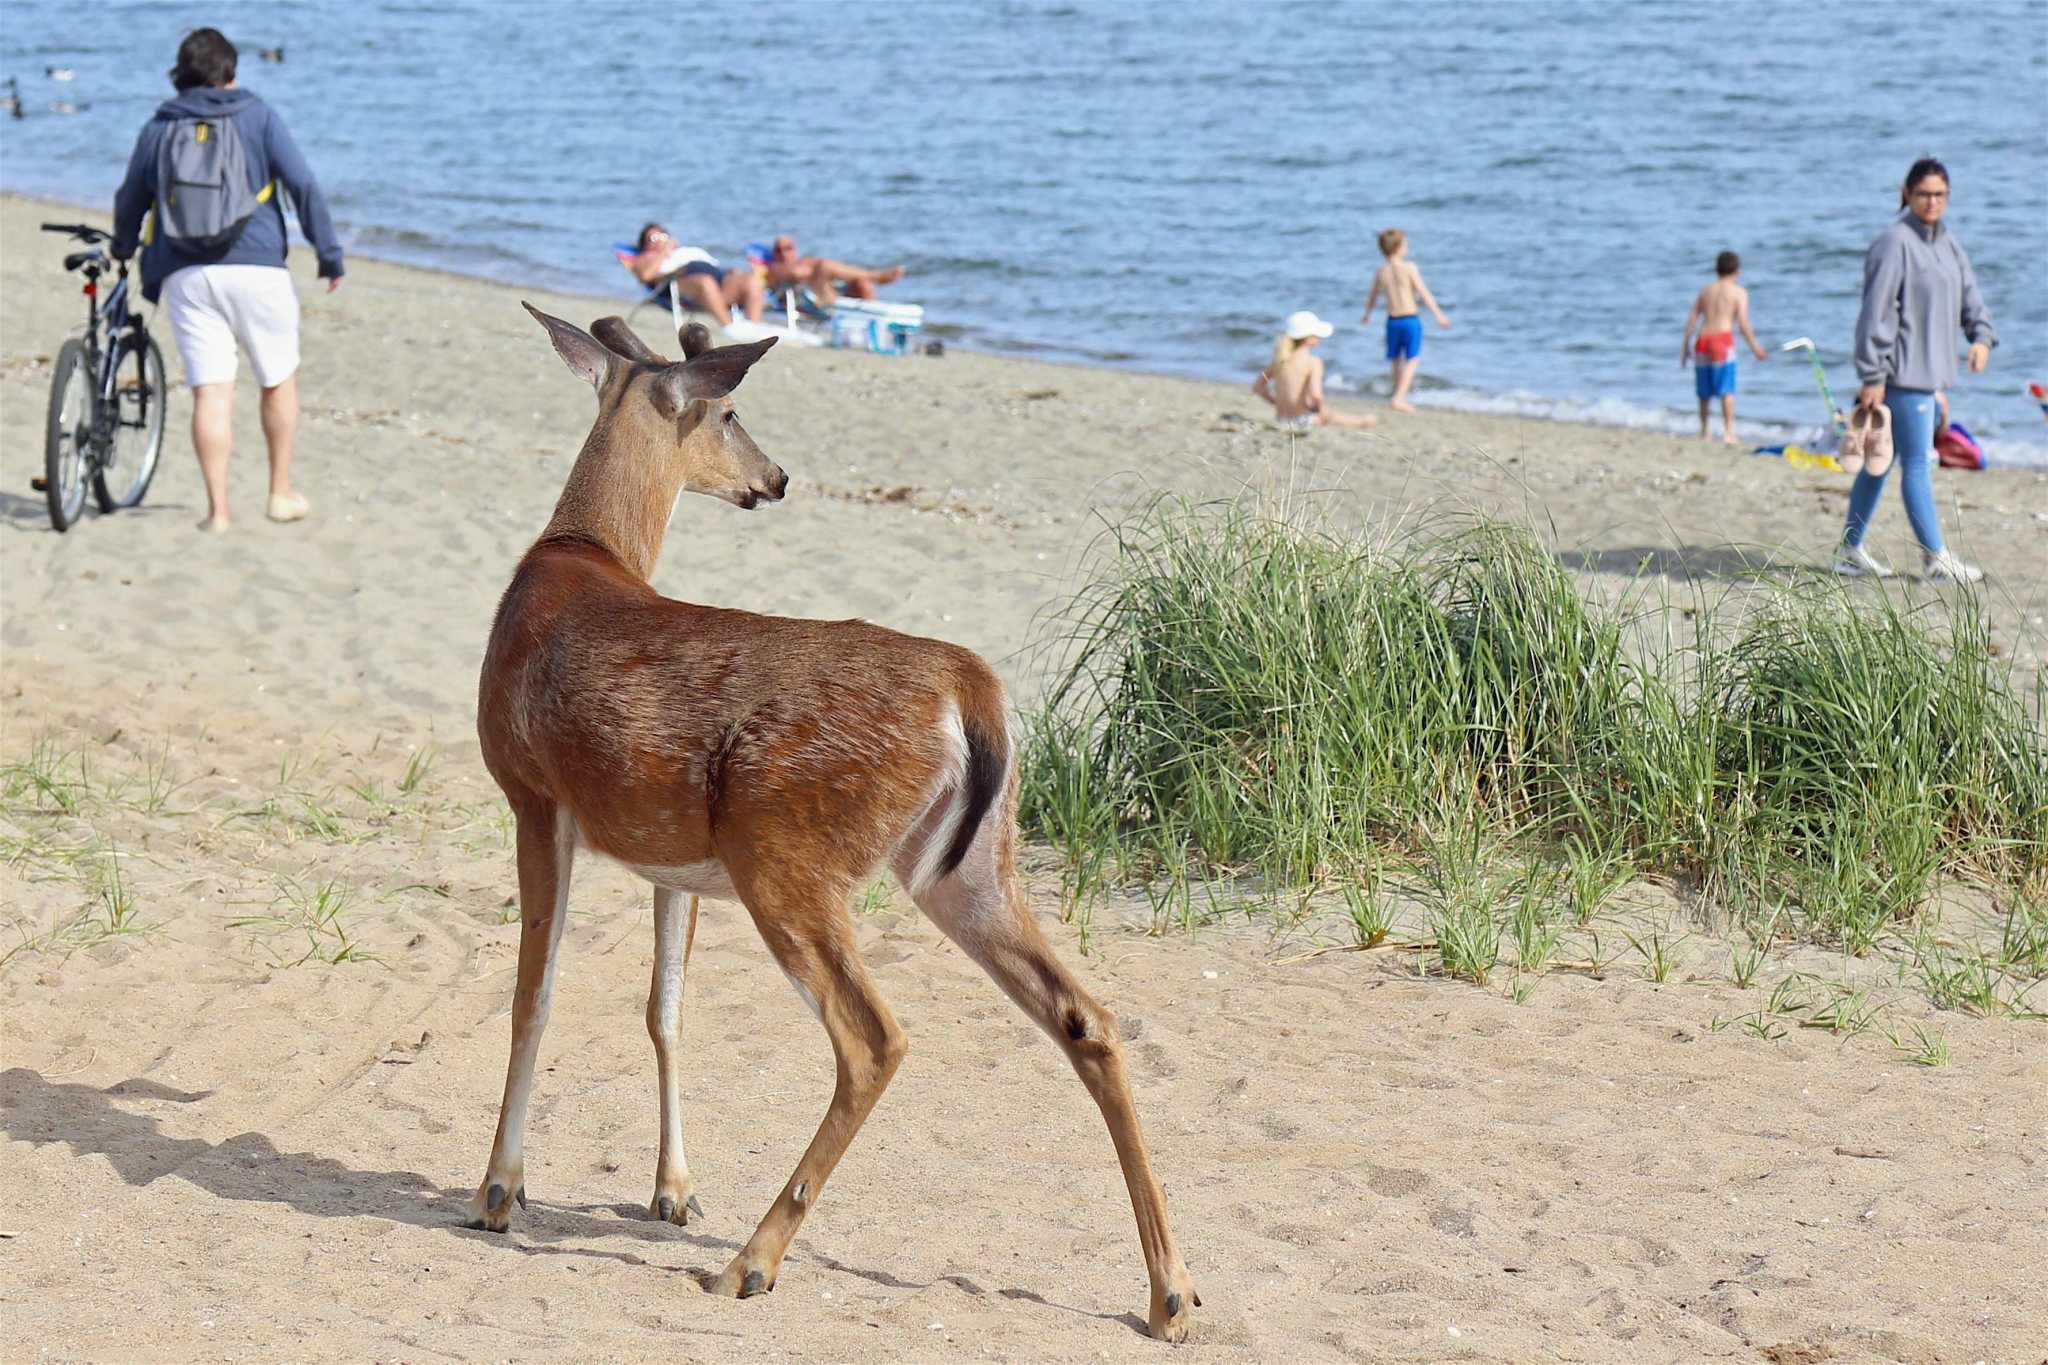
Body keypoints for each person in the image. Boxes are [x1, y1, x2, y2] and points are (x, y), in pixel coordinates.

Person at [111, 26, 343, 532]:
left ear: (181, 75)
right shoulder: (257, 115)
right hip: (258, 268)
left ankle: (217, 512)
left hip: (185, 274)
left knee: (211, 392)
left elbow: (130, 197)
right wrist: (328, 254)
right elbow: (302, 184)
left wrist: (123, 247)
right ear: (230, 73)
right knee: (277, 380)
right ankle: (279, 492)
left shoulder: (160, 125)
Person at [1833, 157, 1997, 583]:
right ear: (1907, 194)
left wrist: (1981, 338)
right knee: (1918, 462)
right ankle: (1935, 558)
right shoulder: (1894, 243)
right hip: (1900, 375)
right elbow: (1876, 313)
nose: (1932, 202)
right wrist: (1872, 375)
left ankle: (1849, 551)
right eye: (1924, 194)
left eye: (1940, 194)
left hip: (1930, 374)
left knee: (1881, 462)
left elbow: (1970, 297)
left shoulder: (1948, 243)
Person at [1678, 251, 1769, 443]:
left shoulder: (1706, 290)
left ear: (1717, 268)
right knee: (1726, 391)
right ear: (1737, 270)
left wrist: (1685, 347)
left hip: (1703, 340)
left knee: (1704, 392)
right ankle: (1728, 432)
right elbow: (1743, 324)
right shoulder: (1738, 292)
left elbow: (1692, 320)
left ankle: (1705, 431)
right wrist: (1755, 348)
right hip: (1722, 340)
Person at [1360, 228, 1450, 413]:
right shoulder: (1409, 268)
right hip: (1410, 319)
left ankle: (1396, 394)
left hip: (1392, 320)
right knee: (1412, 359)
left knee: (1395, 359)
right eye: (1405, 245)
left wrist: (1367, 315)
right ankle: (1399, 398)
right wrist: (1438, 314)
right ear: (1399, 247)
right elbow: (1424, 293)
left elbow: (1373, 296)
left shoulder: (1381, 271)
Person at [1252, 311, 1377, 431]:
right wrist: (1319, 412)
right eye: (1316, 334)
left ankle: (1363, 420)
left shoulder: (1279, 361)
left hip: (1281, 418)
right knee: (1329, 414)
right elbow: (1316, 395)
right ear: (1308, 338)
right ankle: (1363, 421)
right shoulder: (1313, 362)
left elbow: (1257, 387)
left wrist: (1276, 402)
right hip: (1302, 419)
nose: (1319, 337)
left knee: (1327, 413)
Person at [628, 224, 764, 325]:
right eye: (653, 238)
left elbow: (715, 265)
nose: (659, 241)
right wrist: (664, 252)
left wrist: (731, 272)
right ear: (644, 244)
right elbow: (645, 276)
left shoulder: (684, 251)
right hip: (679, 284)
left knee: (751, 281)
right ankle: (729, 326)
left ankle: (752, 327)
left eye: (662, 236)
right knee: (705, 282)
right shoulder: (645, 258)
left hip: (717, 280)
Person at [759, 233, 903, 306]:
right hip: (812, 302)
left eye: (788, 248)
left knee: (863, 284)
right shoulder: (773, 268)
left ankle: (876, 323)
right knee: (824, 266)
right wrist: (813, 270)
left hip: (828, 295)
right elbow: (795, 273)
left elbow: (804, 271)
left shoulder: (805, 262)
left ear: (795, 249)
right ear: (773, 253)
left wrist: (812, 269)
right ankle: (877, 277)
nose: (783, 253)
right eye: (778, 250)